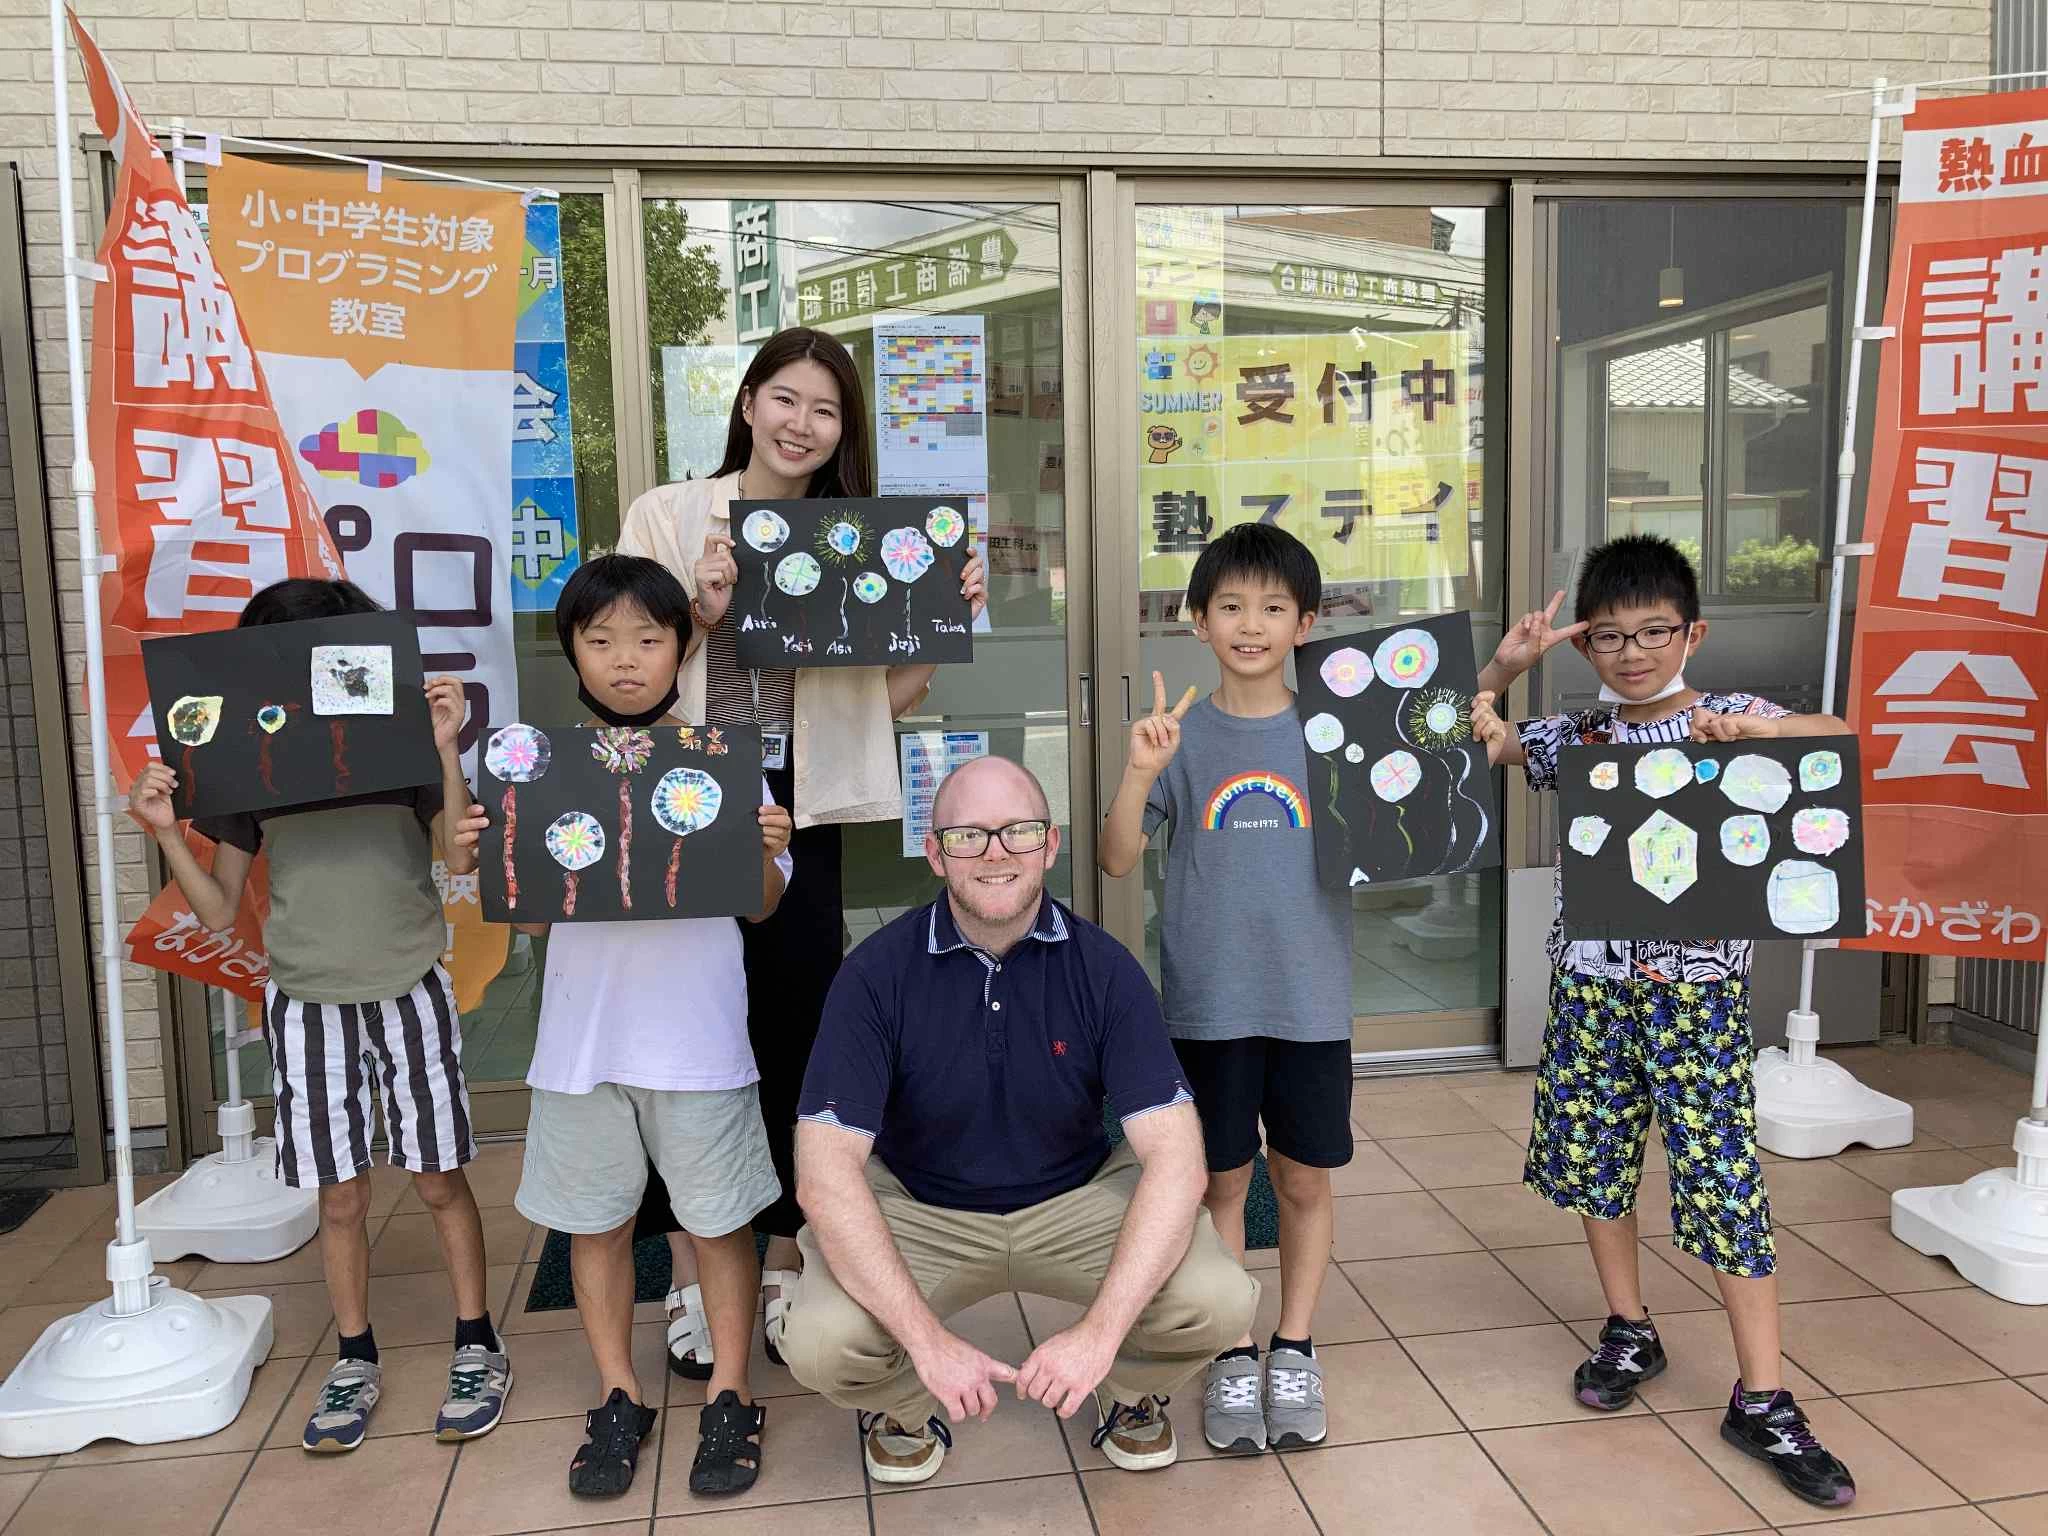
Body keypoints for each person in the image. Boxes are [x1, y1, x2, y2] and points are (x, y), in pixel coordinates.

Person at [614, 326, 984, 1380]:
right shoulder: (667, 514)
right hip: (683, 794)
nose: (801, 423)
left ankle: (781, 1258)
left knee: (794, 1034)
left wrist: (936, 625)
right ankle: (691, 1272)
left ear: (842, 431)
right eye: (784, 398)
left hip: (799, 808)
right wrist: (703, 611)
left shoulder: (857, 541)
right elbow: (620, 664)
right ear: (747, 403)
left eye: (825, 410)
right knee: (683, 1041)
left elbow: (879, 703)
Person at [1470, 533, 1857, 1509]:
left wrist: (1760, 737)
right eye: (1608, 636)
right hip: (1592, 988)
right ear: (1584, 646)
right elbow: (1475, 738)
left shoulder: (1729, 717)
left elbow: (1838, 738)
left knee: (1722, 1178)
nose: (1632, 652)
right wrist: (1501, 671)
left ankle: (1762, 1396)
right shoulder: (1576, 737)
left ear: (1692, 634)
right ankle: (1628, 1327)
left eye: (1653, 632)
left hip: (1699, 997)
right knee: (1596, 1160)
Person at [774, 755, 1257, 1485]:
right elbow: (824, 1173)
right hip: (922, 1207)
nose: (995, 852)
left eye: (1019, 831)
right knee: (820, 1339)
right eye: (967, 835)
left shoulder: (1106, 969)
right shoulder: (875, 974)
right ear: (934, 852)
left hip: (1074, 1200)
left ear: (1050, 844)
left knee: (1218, 1300)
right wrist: (929, 1345)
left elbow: (1177, 1158)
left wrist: (1098, 1337)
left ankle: (1126, 1390)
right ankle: (907, 1407)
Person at [125, 578, 508, 1454]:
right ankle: (354, 1354)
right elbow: (219, 911)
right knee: (339, 1195)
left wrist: (446, 747)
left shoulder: (400, 745)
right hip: (303, 1002)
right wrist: (167, 829)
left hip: (410, 985)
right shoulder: (247, 767)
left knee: (439, 1177)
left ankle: (477, 1340)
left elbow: (458, 856)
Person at [458, 556, 792, 1499]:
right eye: (600, 640)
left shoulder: (726, 760)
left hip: (699, 1043)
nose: (626, 659)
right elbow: (531, 922)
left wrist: (765, 849)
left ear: (682, 647)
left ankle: (731, 1392)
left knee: (720, 1223)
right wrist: (491, 859)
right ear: (572, 653)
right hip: (582, 1046)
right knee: (596, 1227)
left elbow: (763, 906)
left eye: (648, 638)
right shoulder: (537, 771)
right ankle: (618, 1392)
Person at [1098, 522, 1353, 1455]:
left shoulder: (1335, 733)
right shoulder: (1183, 736)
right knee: (1221, 1179)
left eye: (1273, 608)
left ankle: (1296, 1345)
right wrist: (1140, 771)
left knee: (1305, 1177)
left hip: (1312, 1000)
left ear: (1305, 624)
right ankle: (1232, 1347)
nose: (1252, 625)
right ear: (1198, 621)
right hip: (1209, 1002)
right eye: (1232, 607)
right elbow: (1116, 859)